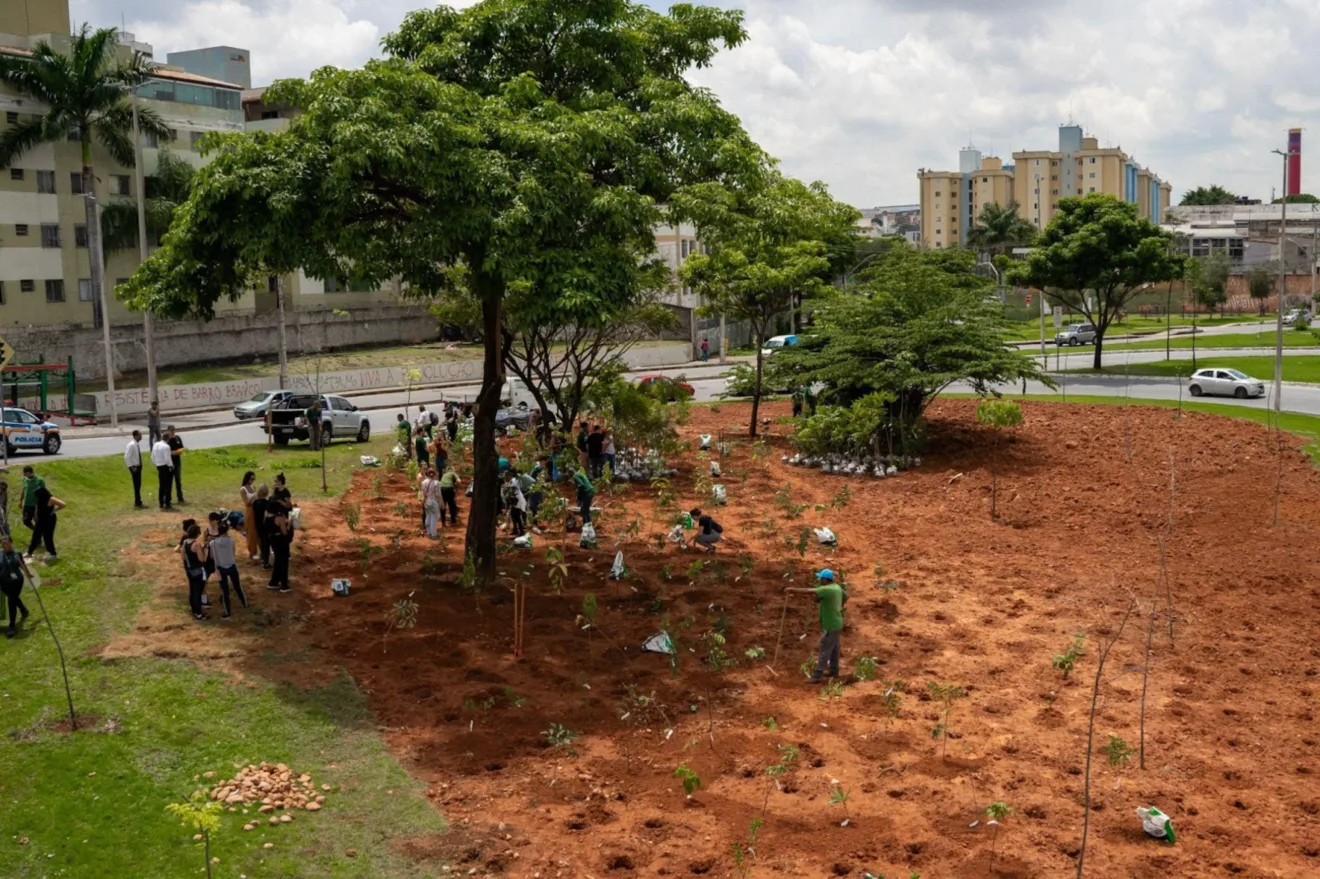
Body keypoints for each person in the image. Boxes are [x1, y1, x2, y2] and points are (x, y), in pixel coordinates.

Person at [785, 569, 848, 683]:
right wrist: (837, 607)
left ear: (825, 579)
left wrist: (791, 589)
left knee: (825, 649)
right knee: (834, 648)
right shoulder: (836, 587)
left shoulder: (827, 589)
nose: (819, 580)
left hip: (830, 624)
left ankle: (817, 675)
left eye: (821, 578)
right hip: (837, 622)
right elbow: (846, 596)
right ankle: (834, 671)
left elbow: (809, 591)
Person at [209, 522, 247, 619]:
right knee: (238, 586)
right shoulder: (231, 541)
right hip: (232, 566)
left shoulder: (212, 543)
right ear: (226, 531)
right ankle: (245, 603)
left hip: (220, 568)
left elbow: (212, 556)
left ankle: (227, 613)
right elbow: (233, 553)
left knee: (224, 591)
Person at [1, 534, 30, 638]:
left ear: (11, 543)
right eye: (3, 544)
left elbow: (23, 566)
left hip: (16, 582)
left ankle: (12, 625)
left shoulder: (17, 554)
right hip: (3, 583)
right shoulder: (0, 555)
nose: (6, 546)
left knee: (11, 600)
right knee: (13, 598)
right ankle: (24, 610)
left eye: (7, 543)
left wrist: (28, 574)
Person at [26, 486, 62, 562]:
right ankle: (29, 553)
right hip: (41, 519)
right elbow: (38, 508)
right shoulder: (39, 499)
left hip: (49, 520)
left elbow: (62, 504)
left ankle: (53, 554)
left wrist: (54, 511)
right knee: (35, 536)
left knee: (47, 537)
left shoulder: (50, 499)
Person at [181, 523, 209, 620]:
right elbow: (201, 559)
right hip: (198, 571)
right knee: (198, 592)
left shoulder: (185, 543)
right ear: (197, 534)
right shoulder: (196, 544)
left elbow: (183, 556)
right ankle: (198, 613)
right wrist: (204, 550)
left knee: (192, 591)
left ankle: (193, 609)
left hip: (189, 570)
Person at [267, 504, 292, 593]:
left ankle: (274, 582)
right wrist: (289, 523)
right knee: (283, 562)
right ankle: (284, 585)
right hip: (281, 541)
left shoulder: (268, 517)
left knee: (277, 561)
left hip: (273, 541)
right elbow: (285, 532)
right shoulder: (280, 519)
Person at [239, 472, 260, 561]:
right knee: (251, 532)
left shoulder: (253, 487)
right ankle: (252, 552)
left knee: (258, 530)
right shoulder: (243, 489)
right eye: (251, 479)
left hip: (256, 510)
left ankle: (261, 549)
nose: (252, 481)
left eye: (254, 479)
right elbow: (247, 503)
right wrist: (254, 496)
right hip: (249, 511)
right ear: (247, 478)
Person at [151, 434, 174, 510]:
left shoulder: (156, 444)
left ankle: (161, 502)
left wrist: (156, 463)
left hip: (158, 466)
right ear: (168, 439)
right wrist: (171, 466)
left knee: (162, 485)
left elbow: (152, 456)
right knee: (168, 485)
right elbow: (167, 458)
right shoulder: (166, 447)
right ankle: (167, 502)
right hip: (165, 466)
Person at [252, 485, 272, 569]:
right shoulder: (267, 503)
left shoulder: (255, 502)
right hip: (266, 526)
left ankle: (263, 557)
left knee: (262, 541)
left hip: (258, 525)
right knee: (266, 543)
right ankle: (266, 563)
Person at [125, 430, 146, 508]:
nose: (141, 436)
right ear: (136, 436)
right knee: (136, 485)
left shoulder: (136, 444)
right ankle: (137, 502)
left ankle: (138, 501)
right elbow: (127, 457)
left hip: (138, 466)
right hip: (135, 467)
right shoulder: (131, 445)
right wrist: (131, 467)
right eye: (140, 435)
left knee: (138, 484)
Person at [504, 470, 528, 536]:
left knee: (516, 516)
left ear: (510, 476)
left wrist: (506, 488)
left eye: (506, 476)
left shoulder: (514, 480)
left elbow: (512, 490)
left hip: (518, 500)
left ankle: (521, 531)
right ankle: (516, 530)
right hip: (515, 500)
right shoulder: (511, 482)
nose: (505, 478)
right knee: (513, 515)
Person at [20, 466, 44, 530]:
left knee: (38, 521)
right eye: (25, 475)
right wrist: (20, 501)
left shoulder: (39, 480)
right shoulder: (25, 479)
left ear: (32, 472)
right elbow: (24, 489)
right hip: (27, 504)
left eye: (27, 474)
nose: (27, 476)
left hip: (36, 505)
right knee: (26, 521)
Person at [167, 426, 186, 505]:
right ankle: (168, 498)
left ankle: (180, 497)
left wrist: (178, 452)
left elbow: (181, 448)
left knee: (178, 480)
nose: (172, 432)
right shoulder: (167, 439)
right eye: (171, 430)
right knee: (169, 482)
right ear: (168, 431)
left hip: (177, 462)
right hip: (169, 463)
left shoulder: (177, 438)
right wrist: (171, 453)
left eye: (173, 430)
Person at [421, 468, 443, 538]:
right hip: (433, 501)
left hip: (426, 501)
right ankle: (434, 534)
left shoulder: (423, 482)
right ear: (435, 474)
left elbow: (423, 493)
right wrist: (441, 503)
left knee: (428, 516)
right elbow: (438, 494)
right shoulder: (436, 483)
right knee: (434, 517)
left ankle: (429, 532)